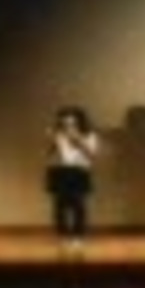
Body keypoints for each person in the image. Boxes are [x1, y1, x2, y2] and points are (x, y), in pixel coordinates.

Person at [46, 107, 100, 253]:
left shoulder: (89, 135)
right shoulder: (57, 134)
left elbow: (92, 155)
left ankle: (78, 236)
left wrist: (78, 140)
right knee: (59, 206)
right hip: (60, 170)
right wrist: (51, 141)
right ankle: (62, 236)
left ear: (79, 122)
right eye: (65, 122)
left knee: (78, 205)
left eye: (72, 123)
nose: (68, 126)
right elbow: (49, 154)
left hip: (79, 171)